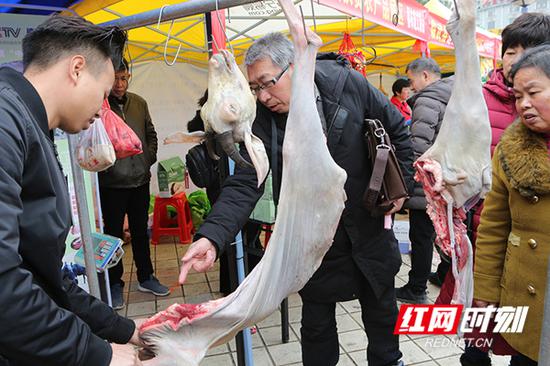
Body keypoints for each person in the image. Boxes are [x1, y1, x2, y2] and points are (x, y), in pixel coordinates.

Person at [179, 32, 414, 366]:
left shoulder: (345, 84)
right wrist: (212, 237)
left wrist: (404, 191)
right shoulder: (260, 119)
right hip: (313, 239)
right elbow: (247, 181)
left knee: (382, 316)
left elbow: (399, 131)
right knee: (317, 325)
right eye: (254, 88)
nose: (261, 96)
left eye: (267, 83)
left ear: (296, 67)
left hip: (367, 222)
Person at [0, 15, 143, 365]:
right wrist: (99, 354)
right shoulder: (6, 121)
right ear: (77, 69)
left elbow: (46, 274)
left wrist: (123, 330)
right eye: (104, 93)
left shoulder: (31, 123)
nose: (103, 108)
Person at [432, 12, 550, 366]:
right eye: (509, 49)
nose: (516, 58)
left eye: (526, 50)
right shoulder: (476, 99)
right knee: (483, 341)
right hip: (487, 235)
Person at [474, 44, 550, 366]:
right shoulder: (509, 151)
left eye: (533, 92)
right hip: (526, 297)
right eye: (518, 96)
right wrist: (485, 296)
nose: (524, 105)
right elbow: (492, 229)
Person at [99, 59, 169, 309]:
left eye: (124, 78)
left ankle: (146, 277)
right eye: (116, 78)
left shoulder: (139, 102)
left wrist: (147, 159)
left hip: (140, 179)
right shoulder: (100, 104)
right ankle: (115, 284)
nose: (120, 84)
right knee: (114, 236)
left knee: (141, 233)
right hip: (111, 183)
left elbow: (151, 134)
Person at [395, 57, 453, 304]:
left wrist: (408, 181)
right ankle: (443, 275)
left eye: (412, 79)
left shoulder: (428, 99)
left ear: (426, 76)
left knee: (421, 235)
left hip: (427, 181)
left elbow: (418, 145)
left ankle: (416, 288)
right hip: (449, 177)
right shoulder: (453, 94)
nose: (412, 86)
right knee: (445, 233)